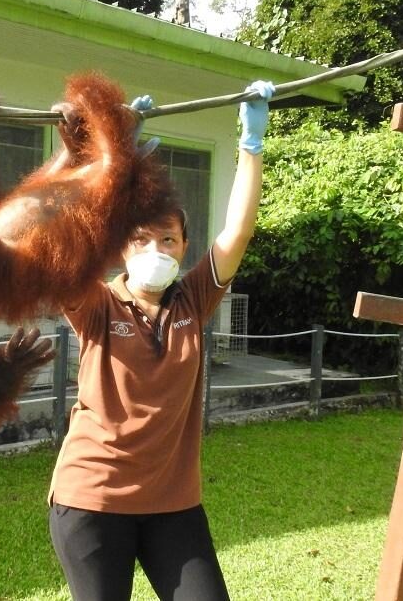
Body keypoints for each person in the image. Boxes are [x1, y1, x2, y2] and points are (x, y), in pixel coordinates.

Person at [47, 81, 275, 601]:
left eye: (168, 239)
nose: (157, 249)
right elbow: (61, 234)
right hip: (93, 499)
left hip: (173, 504)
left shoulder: (192, 298)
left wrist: (251, 144)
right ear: (120, 247)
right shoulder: (97, 304)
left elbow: (236, 232)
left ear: (184, 245)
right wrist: (110, 161)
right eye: (141, 239)